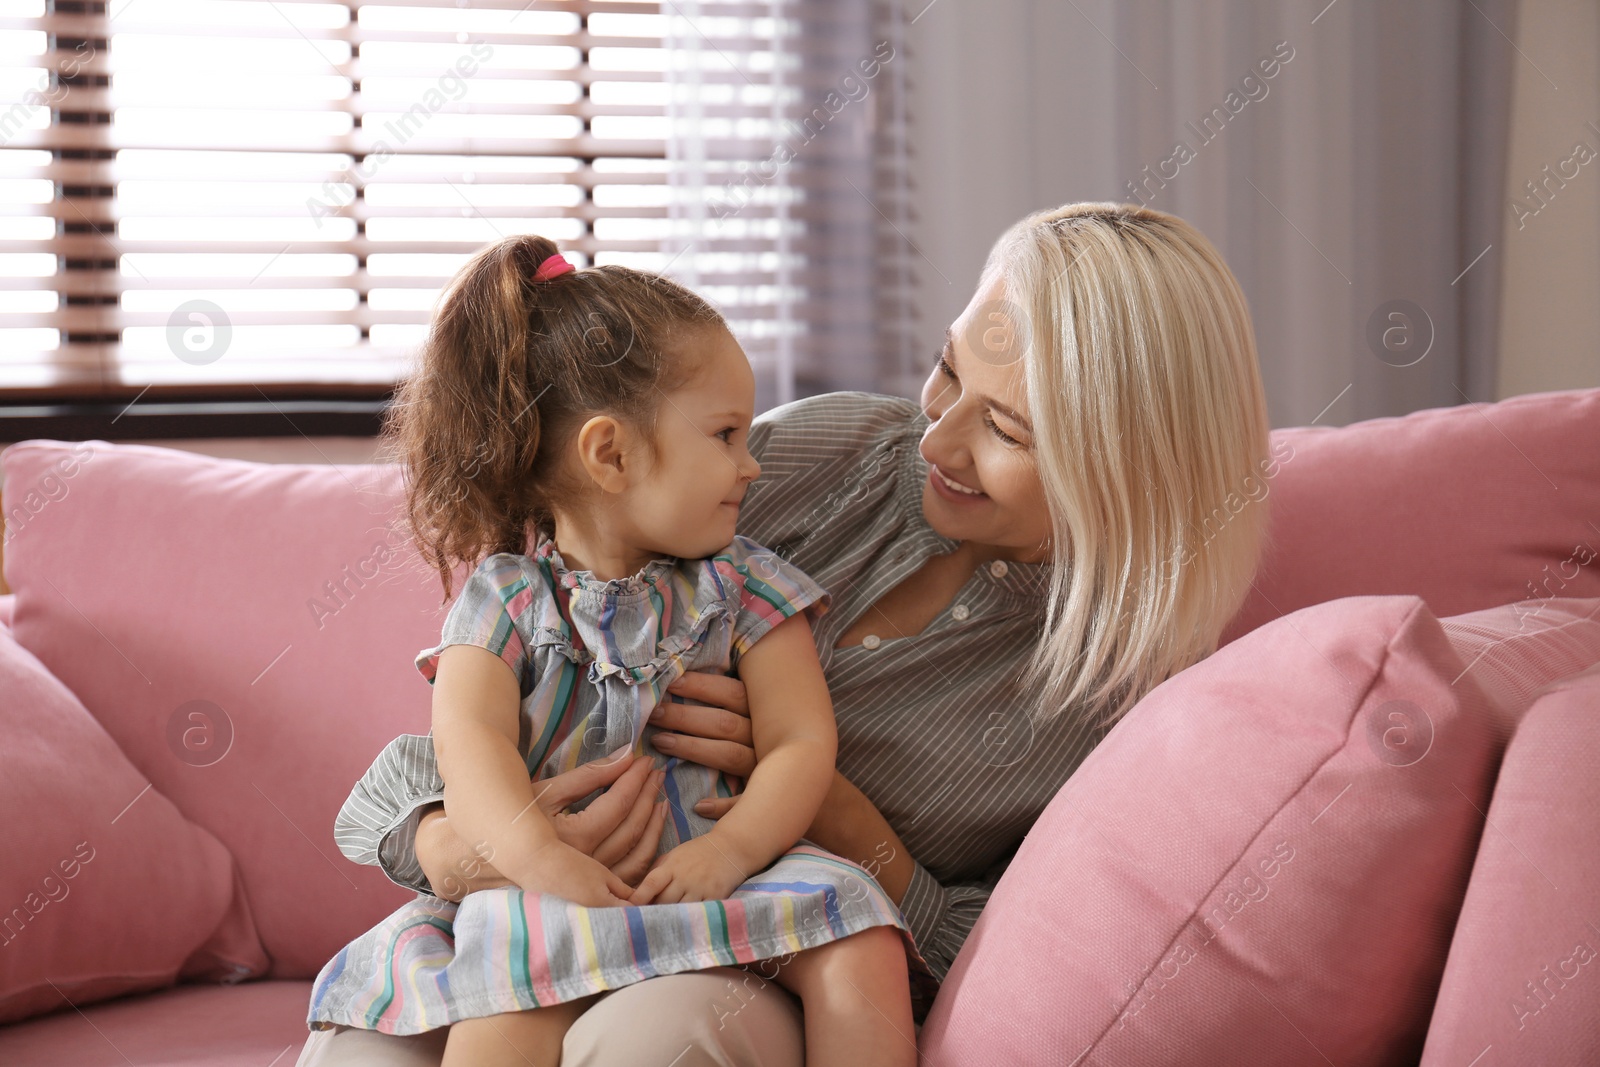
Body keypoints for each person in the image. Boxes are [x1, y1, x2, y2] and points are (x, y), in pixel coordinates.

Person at [297, 202, 1273, 1066]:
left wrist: (828, 813)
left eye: (1007, 431)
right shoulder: (824, 452)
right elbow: (505, 697)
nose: (934, 437)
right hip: (551, 877)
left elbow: (1010, 958)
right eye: (945, 370)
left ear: (1130, 460)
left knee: (650, 1040)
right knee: (366, 1049)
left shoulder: (1130, 697)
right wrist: (479, 849)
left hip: (771, 939)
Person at [303, 238, 925, 1067]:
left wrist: (733, 847)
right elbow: (470, 746)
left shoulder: (748, 586)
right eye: (727, 434)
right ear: (611, 454)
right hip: (554, 871)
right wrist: (535, 858)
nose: (751, 465)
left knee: (861, 936)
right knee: (504, 1004)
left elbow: (800, 741)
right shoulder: (505, 601)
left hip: (725, 864)